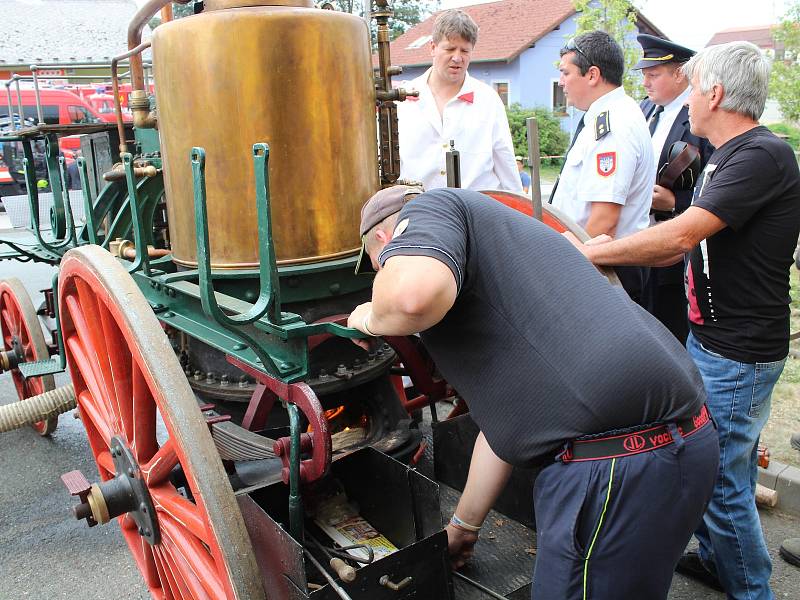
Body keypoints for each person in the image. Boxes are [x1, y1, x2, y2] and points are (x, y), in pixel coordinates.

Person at [349, 184, 718, 599]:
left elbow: (411, 297)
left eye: (381, 267)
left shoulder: (435, 206)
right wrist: (463, 526)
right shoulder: (520, 251)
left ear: (384, 239)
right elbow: (505, 425)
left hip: (614, 469)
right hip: (688, 442)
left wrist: (368, 317)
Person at [568, 41, 800, 599]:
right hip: (710, 341)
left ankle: (751, 590)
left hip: (738, 353)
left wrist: (587, 253)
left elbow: (678, 235)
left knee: (721, 480)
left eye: (695, 88)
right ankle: (722, 562)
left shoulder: (762, 155)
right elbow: (676, 250)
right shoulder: (724, 154)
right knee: (708, 467)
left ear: (715, 93)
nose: (689, 99)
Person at [550, 30, 654, 304]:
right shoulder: (606, 117)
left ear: (592, 75)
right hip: (595, 264)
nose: (561, 82)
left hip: (601, 269)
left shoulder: (612, 126)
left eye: (566, 73)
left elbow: (604, 221)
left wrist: (559, 268)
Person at [635, 34, 714, 344]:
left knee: (670, 331)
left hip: (676, 250)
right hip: (641, 238)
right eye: (644, 75)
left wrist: (676, 202)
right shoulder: (644, 111)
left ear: (680, 74)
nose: (646, 83)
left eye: (653, 75)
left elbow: (712, 182)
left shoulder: (700, 118)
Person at [396, 9, 521, 192]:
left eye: (464, 51)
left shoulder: (487, 100)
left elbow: (505, 161)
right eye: (449, 49)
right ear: (432, 47)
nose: (457, 58)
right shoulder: (403, 99)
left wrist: (519, 212)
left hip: (476, 214)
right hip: (419, 211)